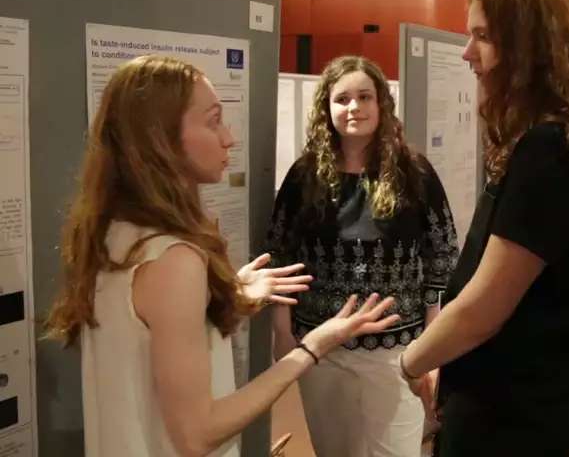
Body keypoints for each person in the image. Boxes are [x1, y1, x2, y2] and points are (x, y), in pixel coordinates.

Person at [45, 55, 399, 457]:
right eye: (213, 121)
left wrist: (226, 294)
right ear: (160, 137)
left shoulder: (113, 233)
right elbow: (197, 436)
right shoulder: (173, 260)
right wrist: (312, 347)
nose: (228, 137)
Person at [397, 0, 569, 456]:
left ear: (528, 45)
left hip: (509, 407)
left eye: (482, 36)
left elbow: (486, 306)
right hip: (542, 398)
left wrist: (410, 364)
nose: (468, 53)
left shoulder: (552, 148)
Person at [266, 56, 459, 457]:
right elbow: (280, 254)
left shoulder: (414, 173)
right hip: (320, 346)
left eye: (364, 97)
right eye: (342, 99)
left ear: (381, 104)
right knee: (332, 449)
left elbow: (441, 257)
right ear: (327, 109)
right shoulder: (305, 177)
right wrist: (282, 332)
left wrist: (432, 343)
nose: (353, 107)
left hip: (396, 348)